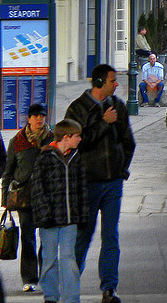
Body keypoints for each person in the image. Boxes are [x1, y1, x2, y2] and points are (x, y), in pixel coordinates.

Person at [65, 63, 135, 303]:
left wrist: (121, 169)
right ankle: (70, 286)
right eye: (112, 81)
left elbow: (128, 142)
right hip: (87, 182)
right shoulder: (78, 109)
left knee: (111, 236)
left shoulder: (118, 107)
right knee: (82, 236)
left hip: (113, 182)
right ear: (98, 83)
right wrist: (103, 122)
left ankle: (109, 288)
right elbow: (75, 144)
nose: (117, 84)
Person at [30, 118, 89, 303]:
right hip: (49, 220)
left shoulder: (76, 157)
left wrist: (83, 215)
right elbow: (37, 189)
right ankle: (51, 297)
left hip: (70, 220)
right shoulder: (45, 157)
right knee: (49, 260)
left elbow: (82, 188)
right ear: (66, 136)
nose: (80, 139)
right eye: (77, 136)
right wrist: (44, 215)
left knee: (68, 260)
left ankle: (71, 298)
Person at [2, 103, 52, 292]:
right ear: (29, 119)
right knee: (28, 238)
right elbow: (8, 171)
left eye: (42, 116)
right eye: (35, 116)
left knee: (47, 238)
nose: (39, 119)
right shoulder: (18, 141)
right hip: (24, 197)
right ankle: (29, 278)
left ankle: (46, 276)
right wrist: (5, 199)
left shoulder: (51, 138)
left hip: (47, 196)